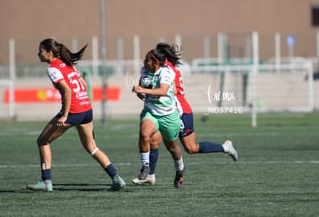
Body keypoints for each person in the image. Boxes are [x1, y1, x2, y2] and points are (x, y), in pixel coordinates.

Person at [27, 38, 125, 192]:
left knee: (42, 141)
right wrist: (81, 102)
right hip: (86, 110)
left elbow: (67, 90)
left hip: (73, 111)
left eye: (41, 50)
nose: (38, 53)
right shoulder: (68, 64)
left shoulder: (53, 68)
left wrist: (65, 115)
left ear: (49, 52)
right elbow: (84, 85)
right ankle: (116, 178)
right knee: (92, 147)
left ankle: (46, 182)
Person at [133, 43, 238, 185]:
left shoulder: (167, 69)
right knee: (153, 139)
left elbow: (173, 91)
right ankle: (150, 174)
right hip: (161, 109)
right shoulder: (158, 67)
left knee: (190, 148)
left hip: (179, 109)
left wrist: (149, 90)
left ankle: (225, 147)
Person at [132, 48, 185, 188]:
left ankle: (180, 169)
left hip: (168, 114)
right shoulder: (144, 70)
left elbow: (162, 91)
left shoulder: (167, 72)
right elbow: (141, 85)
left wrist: (142, 90)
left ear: (156, 62)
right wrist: (139, 92)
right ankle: (145, 168)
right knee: (144, 134)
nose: (144, 62)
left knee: (172, 147)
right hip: (151, 111)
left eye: (147, 60)